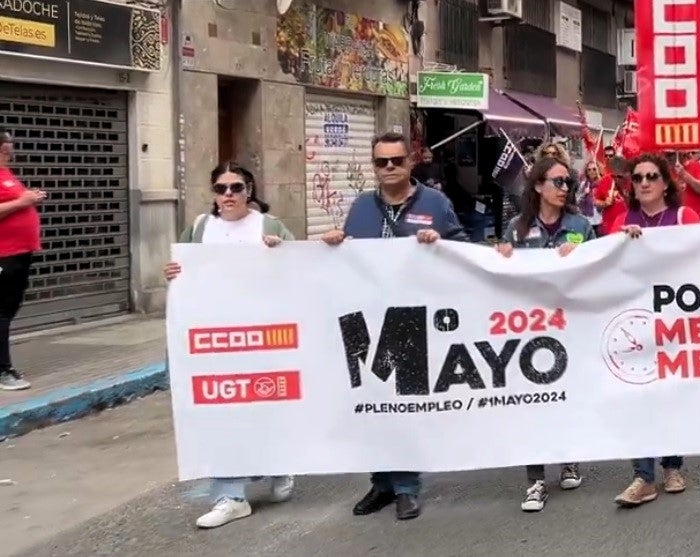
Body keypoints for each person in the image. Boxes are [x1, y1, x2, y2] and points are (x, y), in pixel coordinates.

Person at [321, 131, 464, 522]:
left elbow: (464, 248)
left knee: (402, 404)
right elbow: (350, 254)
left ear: (410, 162)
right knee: (371, 405)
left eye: (396, 161)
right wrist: (335, 243)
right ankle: (381, 483)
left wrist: (439, 243)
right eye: (381, 162)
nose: (388, 168)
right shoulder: (362, 206)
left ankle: (406, 487)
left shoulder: (435, 203)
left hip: (413, 319)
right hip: (366, 320)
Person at [164, 162, 295, 528]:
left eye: (236, 187)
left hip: (263, 337)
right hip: (215, 341)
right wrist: (172, 274)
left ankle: (277, 464)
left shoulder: (269, 227)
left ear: (249, 191)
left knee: (263, 407)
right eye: (221, 189)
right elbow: (182, 273)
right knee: (221, 413)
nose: (228, 195)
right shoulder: (201, 229)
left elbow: (300, 272)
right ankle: (231, 495)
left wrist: (281, 252)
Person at [495, 156, 591, 512]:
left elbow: (599, 268)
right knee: (531, 402)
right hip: (531, 328)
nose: (565, 189)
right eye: (558, 182)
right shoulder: (517, 229)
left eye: (569, 182)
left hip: (570, 324)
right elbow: (502, 277)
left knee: (567, 395)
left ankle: (569, 457)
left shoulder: (580, 224)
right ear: (537, 186)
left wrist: (584, 253)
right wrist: (501, 257)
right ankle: (535, 479)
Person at [609, 152, 700, 507]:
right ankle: (643, 476)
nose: (644, 183)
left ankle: (673, 466)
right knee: (638, 398)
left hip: (675, 322)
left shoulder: (684, 217)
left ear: (666, 182)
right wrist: (622, 244)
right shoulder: (622, 221)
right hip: (634, 324)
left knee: (670, 396)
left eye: (651, 176)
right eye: (638, 178)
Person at [0, 130, 43, 391]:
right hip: (4, 255)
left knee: (8, 310)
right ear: (3, 147)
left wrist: (29, 199)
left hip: (19, 254)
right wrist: (23, 201)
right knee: (1, 312)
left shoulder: (8, 175)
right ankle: (3, 371)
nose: (12, 146)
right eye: (8, 141)